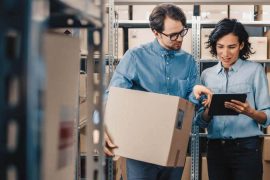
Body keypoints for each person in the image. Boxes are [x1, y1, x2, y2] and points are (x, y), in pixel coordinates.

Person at [104, 3, 211, 180]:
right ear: (155, 32)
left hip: (174, 146)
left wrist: (196, 93)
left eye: (182, 32)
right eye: (172, 35)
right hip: (141, 149)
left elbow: (190, 106)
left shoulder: (189, 62)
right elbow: (113, 97)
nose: (179, 39)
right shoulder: (135, 57)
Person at [195, 18, 270, 180]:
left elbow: (267, 117)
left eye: (232, 47)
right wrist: (209, 109)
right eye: (220, 47)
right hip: (216, 149)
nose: (225, 53)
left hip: (247, 149)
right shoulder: (207, 76)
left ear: (241, 45)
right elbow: (200, 121)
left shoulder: (255, 71)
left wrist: (250, 112)